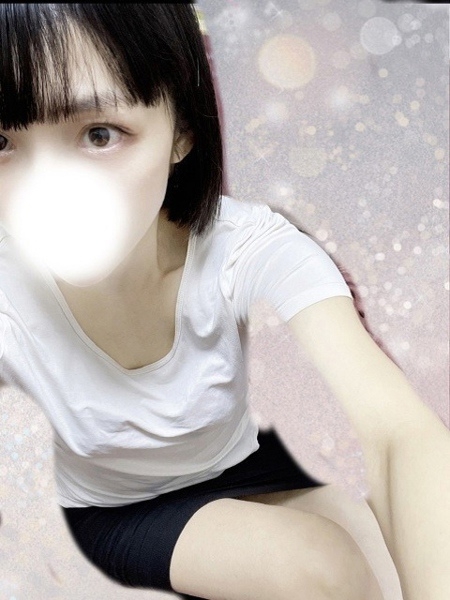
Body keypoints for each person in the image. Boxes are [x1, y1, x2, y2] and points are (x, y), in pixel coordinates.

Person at [0, 4, 448, 600]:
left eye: (99, 134)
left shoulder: (244, 245)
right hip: (121, 508)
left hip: (242, 463)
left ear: (182, 130)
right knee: (322, 567)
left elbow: (400, 431)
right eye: (2, 140)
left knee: (390, 562)